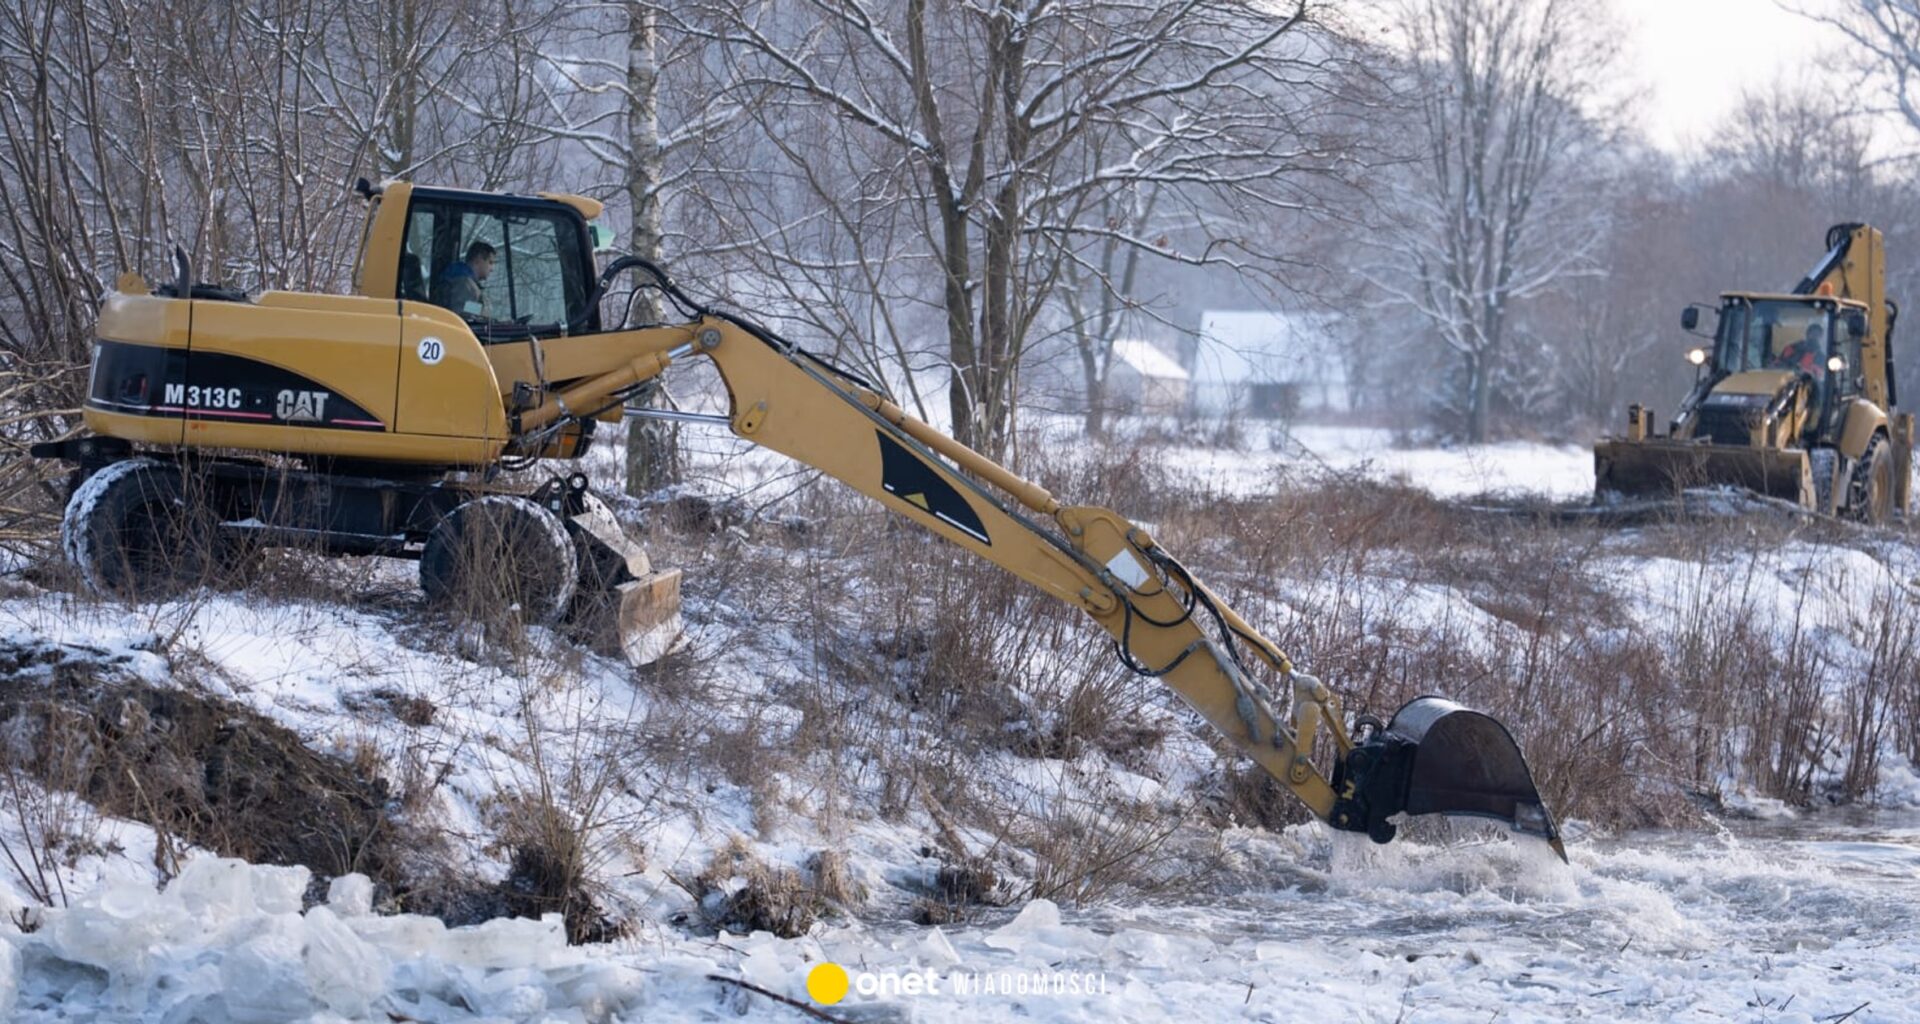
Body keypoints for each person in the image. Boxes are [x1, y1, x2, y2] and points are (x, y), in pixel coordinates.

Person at [435, 240, 495, 318]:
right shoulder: (462, 282)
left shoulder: (465, 281)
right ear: (478, 259)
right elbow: (461, 308)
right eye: (490, 262)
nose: (492, 269)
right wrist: (483, 310)